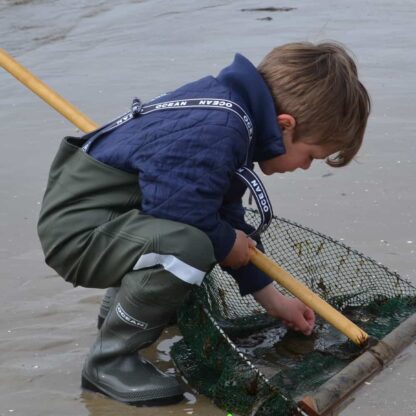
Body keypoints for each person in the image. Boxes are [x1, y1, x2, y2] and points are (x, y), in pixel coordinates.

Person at [37, 41, 370, 407]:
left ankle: (121, 310)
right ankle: (109, 363)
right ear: (285, 126)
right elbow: (180, 210)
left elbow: (220, 210)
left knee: (210, 234)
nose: (305, 167)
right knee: (193, 245)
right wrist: (227, 242)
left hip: (113, 220)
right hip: (79, 235)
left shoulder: (232, 112)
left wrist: (274, 301)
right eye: (310, 156)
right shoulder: (219, 127)